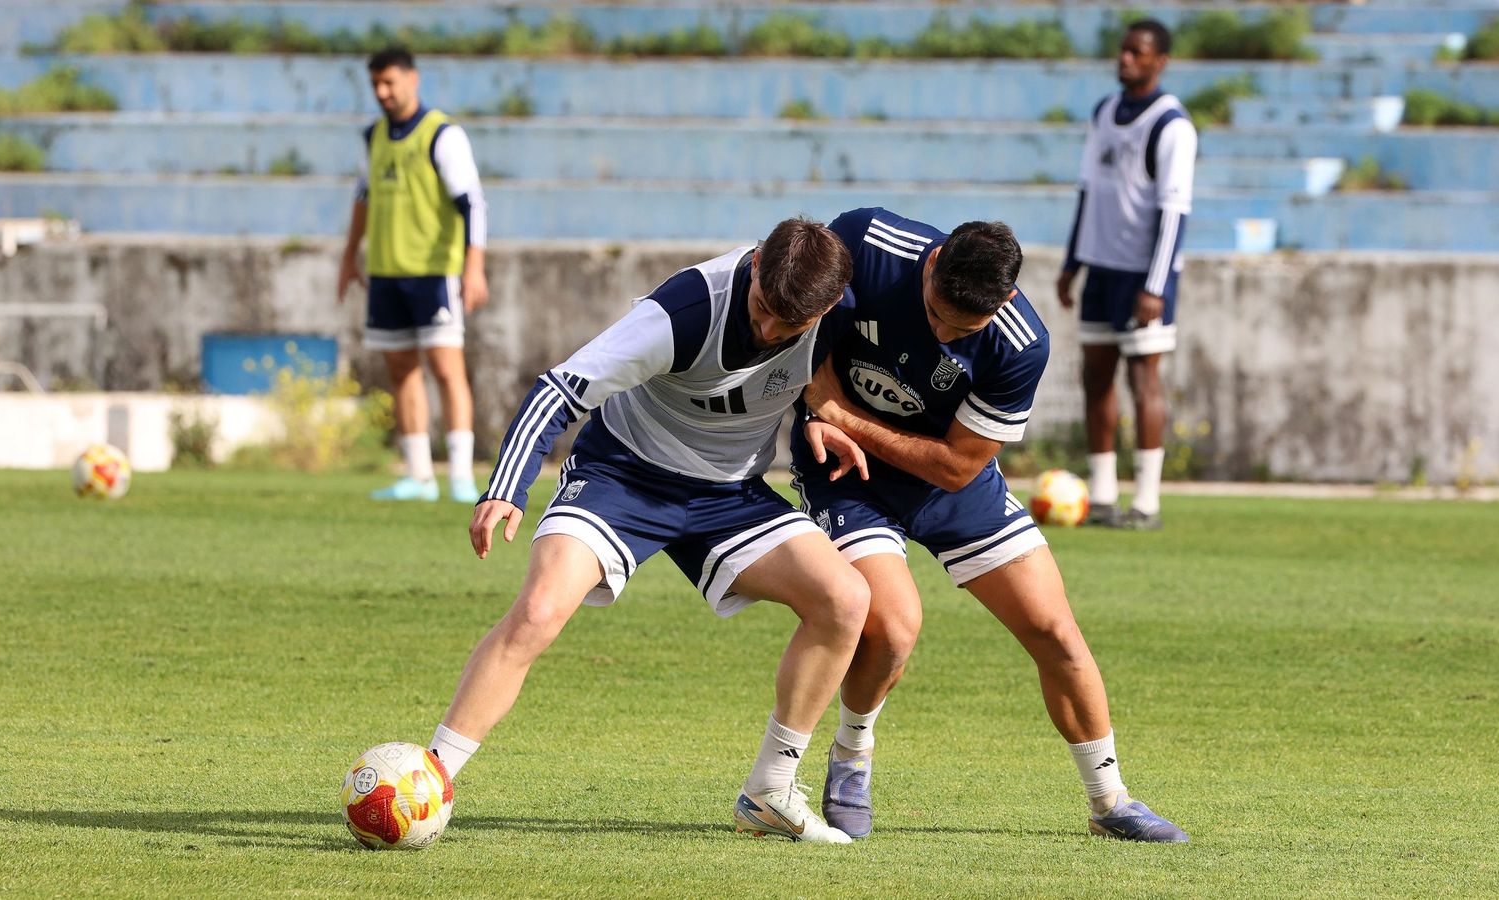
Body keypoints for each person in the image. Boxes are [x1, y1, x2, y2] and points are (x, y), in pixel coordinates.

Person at [428, 218, 874, 844]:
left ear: (826, 307)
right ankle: (430, 781)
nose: (768, 330)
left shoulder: (843, 310)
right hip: (624, 478)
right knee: (539, 610)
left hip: (729, 494)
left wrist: (813, 417)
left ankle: (771, 791)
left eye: (789, 323)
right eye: (763, 309)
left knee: (846, 600)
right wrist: (506, 486)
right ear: (752, 271)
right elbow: (560, 388)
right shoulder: (685, 311)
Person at [794, 207, 1188, 843]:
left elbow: (955, 466)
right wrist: (816, 409)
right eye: (935, 315)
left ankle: (1109, 799)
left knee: (1054, 630)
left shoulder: (1021, 343)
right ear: (931, 265)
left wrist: (842, 412)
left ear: (1005, 298)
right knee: (894, 625)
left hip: (947, 481)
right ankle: (851, 760)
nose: (946, 336)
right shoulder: (865, 242)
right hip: (848, 472)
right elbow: (797, 325)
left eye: (963, 328)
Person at [1056, 19, 1197, 530]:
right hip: (1101, 269)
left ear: (1160, 61)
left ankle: (1148, 501)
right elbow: (1088, 191)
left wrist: (1155, 286)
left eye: (1137, 53)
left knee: (1144, 380)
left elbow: (1174, 211)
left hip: (1143, 276)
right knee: (1095, 377)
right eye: (1122, 51)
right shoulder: (1103, 113)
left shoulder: (1172, 125)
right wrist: (1073, 263)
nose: (1125, 60)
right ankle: (1102, 495)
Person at [337, 46, 490, 503]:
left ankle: (461, 476)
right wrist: (350, 256)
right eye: (376, 85)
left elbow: (472, 202)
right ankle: (419, 476)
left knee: (447, 368)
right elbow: (363, 199)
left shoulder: (442, 135)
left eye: (390, 83)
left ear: (412, 79)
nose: (383, 93)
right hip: (386, 272)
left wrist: (473, 266)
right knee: (401, 371)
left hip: (433, 272)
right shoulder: (374, 137)